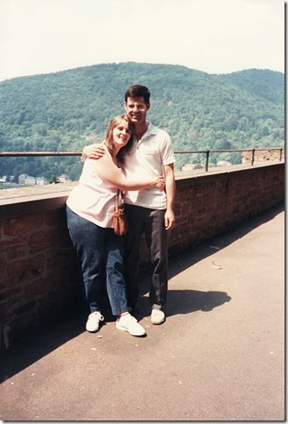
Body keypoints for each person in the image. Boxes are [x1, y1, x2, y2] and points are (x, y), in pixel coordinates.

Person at [82, 85, 176, 325]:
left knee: (158, 257)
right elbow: (105, 152)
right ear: (126, 106)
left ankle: (157, 304)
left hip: (156, 205)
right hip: (130, 206)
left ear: (148, 106)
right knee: (129, 257)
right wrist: (84, 152)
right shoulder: (124, 135)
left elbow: (170, 173)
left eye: (140, 105)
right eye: (131, 105)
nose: (135, 110)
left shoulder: (161, 137)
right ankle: (131, 302)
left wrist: (170, 208)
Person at [66, 114, 165, 337]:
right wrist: (153, 182)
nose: (124, 133)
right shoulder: (100, 152)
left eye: (127, 131)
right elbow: (121, 182)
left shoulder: (120, 156)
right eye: (119, 129)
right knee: (91, 267)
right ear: (110, 130)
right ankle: (94, 311)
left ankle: (122, 314)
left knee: (115, 264)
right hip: (85, 214)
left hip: (109, 219)